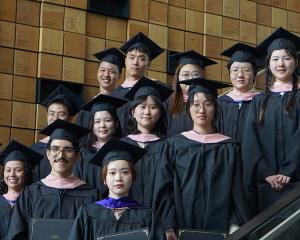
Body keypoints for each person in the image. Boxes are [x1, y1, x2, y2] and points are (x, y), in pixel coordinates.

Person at [159, 78, 250, 235]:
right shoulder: (174, 145)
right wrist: (168, 226)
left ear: (215, 108)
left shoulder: (228, 146)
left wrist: (235, 223)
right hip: (182, 225)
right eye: (196, 104)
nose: (201, 110)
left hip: (219, 228)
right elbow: (165, 188)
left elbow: (237, 191)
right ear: (189, 109)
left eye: (207, 104)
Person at [7, 120, 98, 240]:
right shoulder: (30, 193)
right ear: (48, 154)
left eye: (68, 150)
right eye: (55, 149)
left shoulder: (91, 195)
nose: (60, 156)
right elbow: (16, 234)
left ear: (77, 156)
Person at [242, 27, 300, 213]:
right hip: (266, 183)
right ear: (268, 64)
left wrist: (288, 171)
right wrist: (267, 173)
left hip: (297, 178)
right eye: (275, 59)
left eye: (286, 58)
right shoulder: (259, 101)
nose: (280, 64)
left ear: (296, 62)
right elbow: (251, 142)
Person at [68, 138, 166, 240]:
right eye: (112, 173)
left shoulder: (148, 216)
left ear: (133, 178)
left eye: (125, 172)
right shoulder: (88, 213)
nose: (118, 178)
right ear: (104, 179)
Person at [110, 32, 164, 136]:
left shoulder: (158, 90)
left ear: (149, 63)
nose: (135, 62)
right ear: (125, 61)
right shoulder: (114, 95)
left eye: (141, 58)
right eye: (131, 57)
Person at [74, 94, 127, 196]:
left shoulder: (122, 151)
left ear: (116, 124)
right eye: (97, 121)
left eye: (108, 120)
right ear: (92, 126)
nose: (102, 125)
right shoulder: (83, 153)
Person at [31, 84, 84, 181]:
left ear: (70, 118)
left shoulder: (79, 149)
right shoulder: (35, 149)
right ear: (47, 115)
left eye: (61, 114)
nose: (55, 118)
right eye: (52, 113)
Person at [167, 50, 217, 137]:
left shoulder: (213, 105)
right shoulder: (168, 104)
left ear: (202, 77)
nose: (190, 79)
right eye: (185, 75)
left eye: (195, 74)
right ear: (177, 78)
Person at [0, 140, 43, 239]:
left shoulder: (35, 202)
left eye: (18, 170)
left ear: (26, 173)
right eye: (8, 170)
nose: (12, 174)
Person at [217, 43, 260, 142]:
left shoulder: (264, 102)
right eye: (235, 70)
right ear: (229, 74)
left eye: (246, 70)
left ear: (254, 74)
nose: (240, 75)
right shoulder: (220, 102)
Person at [76, 48, 125, 129]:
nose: (106, 75)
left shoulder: (123, 105)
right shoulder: (87, 107)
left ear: (119, 75)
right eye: (102, 70)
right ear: (97, 73)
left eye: (112, 72)